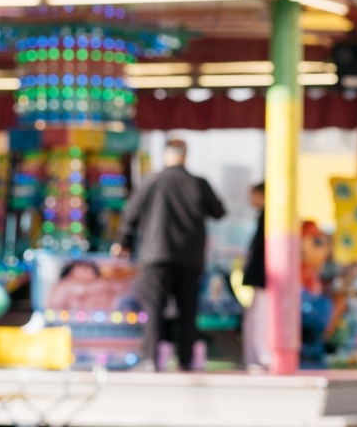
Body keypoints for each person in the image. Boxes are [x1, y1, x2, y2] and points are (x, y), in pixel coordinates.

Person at [114, 138, 225, 370]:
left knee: (154, 307)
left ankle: (151, 359)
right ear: (185, 155)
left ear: (166, 155)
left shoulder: (152, 181)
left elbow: (130, 214)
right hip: (191, 256)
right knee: (188, 309)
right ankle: (186, 360)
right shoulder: (198, 183)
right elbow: (219, 211)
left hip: (156, 255)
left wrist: (123, 242)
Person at [239, 181, 269, 371]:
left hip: (264, 278)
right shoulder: (264, 218)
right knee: (254, 320)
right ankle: (256, 357)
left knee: (259, 320)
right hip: (261, 278)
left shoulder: (268, 219)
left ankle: (262, 356)